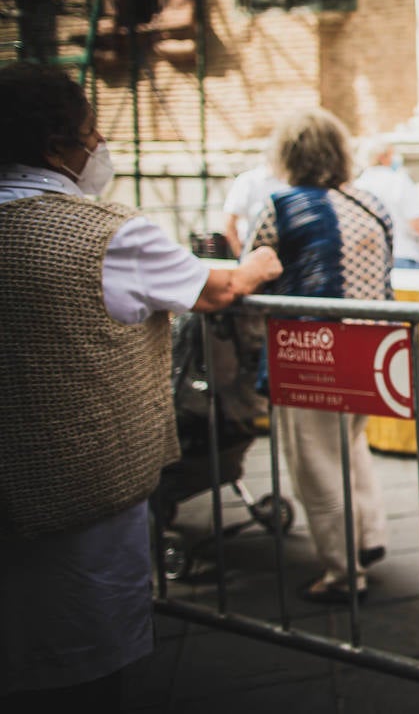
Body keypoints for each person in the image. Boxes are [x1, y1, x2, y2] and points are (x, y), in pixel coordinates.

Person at [0, 63, 282, 710]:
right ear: (56, 146)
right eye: (91, 135)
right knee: (80, 652)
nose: (99, 148)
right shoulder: (105, 235)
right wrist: (255, 267)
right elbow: (215, 290)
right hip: (79, 487)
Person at [246, 108, 391, 603]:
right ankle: (368, 535)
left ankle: (342, 572)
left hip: (311, 352)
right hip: (372, 349)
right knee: (351, 446)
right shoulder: (371, 204)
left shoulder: (282, 207)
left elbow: (255, 272)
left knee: (315, 463)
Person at [353, 135, 419, 270]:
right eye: (392, 154)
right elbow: (417, 222)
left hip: (370, 257)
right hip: (403, 254)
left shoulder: (359, 185)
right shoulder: (398, 181)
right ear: (382, 157)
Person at [222, 156, 287, 258]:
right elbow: (230, 223)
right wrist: (241, 257)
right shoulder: (248, 181)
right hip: (254, 253)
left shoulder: (290, 182)